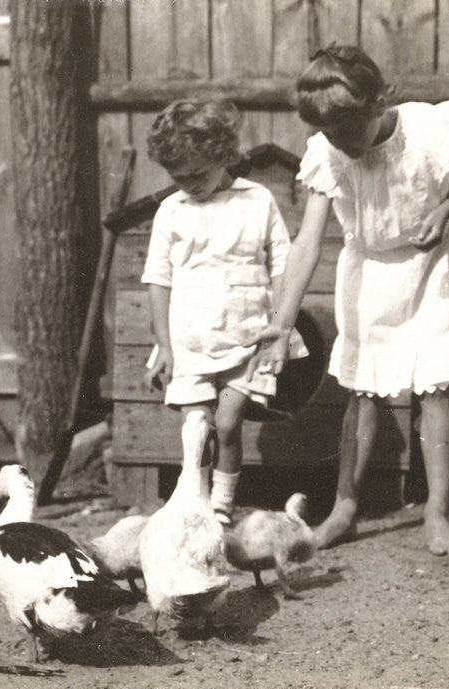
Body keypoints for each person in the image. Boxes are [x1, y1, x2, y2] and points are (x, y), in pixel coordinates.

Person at [249, 45, 449, 555]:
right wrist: (282, 323)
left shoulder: (429, 131)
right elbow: (306, 242)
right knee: (363, 389)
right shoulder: (327, 152)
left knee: (437, 388)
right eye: (330, 135)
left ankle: (437, 511)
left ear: (378, 103)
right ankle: (344, 508)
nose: (341, 145)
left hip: (441, 263)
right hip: (372, 268)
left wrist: (447, 209)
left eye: (349, 133)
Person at [142, 97, 307, 526]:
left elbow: (282, 265)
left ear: (222, 155)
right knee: (196, 428)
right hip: (190, 340)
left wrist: (281, 326)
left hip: (246, 337)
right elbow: (158, 279)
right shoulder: (171, 211)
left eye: (198, 174)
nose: (189, 185)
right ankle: (194, 502)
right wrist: (164, 346)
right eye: (179, 178)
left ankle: (222, 505)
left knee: (229, 422)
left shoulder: (256, 200)